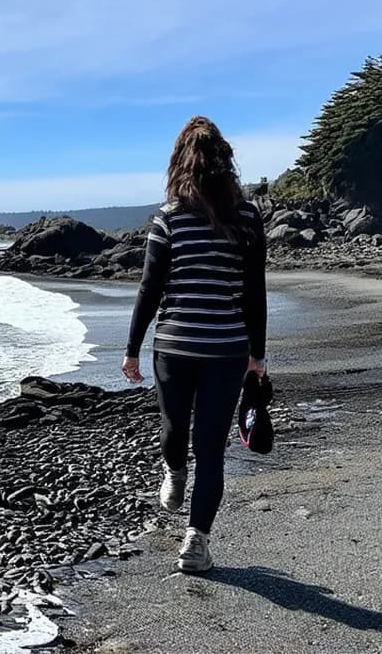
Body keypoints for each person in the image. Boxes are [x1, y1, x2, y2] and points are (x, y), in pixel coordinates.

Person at [121, 116, 267, 573]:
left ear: (180, 163)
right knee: (209, 450)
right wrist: (256, 354)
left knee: (174, 429)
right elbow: (253, 291)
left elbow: (150, 287)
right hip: (225, 347)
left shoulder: (168, 219)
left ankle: (177, 483)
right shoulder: (247, 217)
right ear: (227, 164)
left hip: (177, 346)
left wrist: (131, 349)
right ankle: (195, 534)